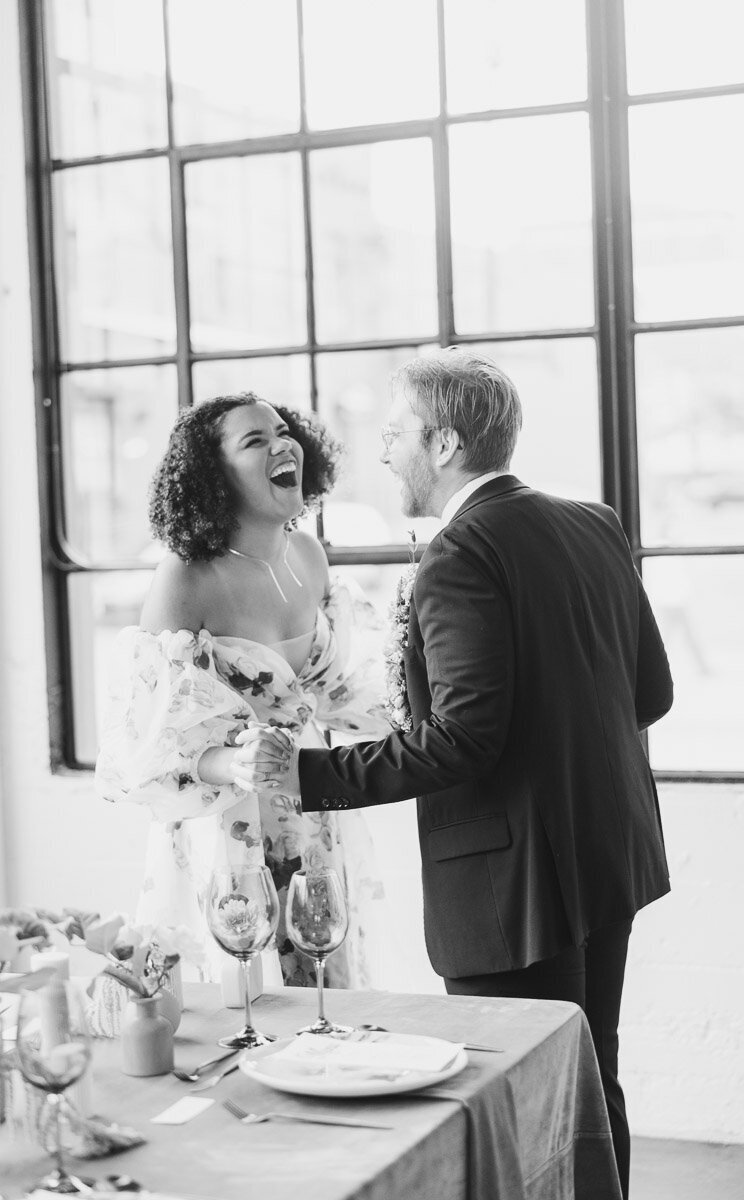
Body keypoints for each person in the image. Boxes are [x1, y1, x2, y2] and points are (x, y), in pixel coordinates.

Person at [255, 348, 673, 1198]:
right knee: (591, 1084)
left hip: (511, 880)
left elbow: (463, 740)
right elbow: (651, 692)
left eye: (394, 433)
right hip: (608, 851)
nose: (381, 453)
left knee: (514, 1101)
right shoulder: (594, 522)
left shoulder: (457, 554)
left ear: (444, 443)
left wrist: (311, 775)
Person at [95, 393, 391, 989]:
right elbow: (143, 745)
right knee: (245, 999)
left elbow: (336, 691)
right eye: (255, 441)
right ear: (215, 476)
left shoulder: (308, 555)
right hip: (226, 826)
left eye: (285, 433)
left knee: (321, 975)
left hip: (310, 798)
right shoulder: (185, 576)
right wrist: (233, 761)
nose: (283, 446)